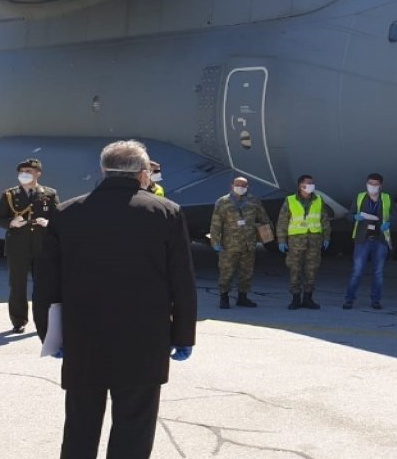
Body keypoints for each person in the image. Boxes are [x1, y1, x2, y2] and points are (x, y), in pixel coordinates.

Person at [35, 140, 196, 458]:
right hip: (144, 338)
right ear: (142, 172)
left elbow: (45, 283)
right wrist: (183, 334)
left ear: (103, 170)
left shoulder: (67, 213)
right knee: (134, 426)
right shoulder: (166, 212)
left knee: (80, 423)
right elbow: (182, 281)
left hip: (84, 337)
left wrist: (49, 335)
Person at [0, 158, 60, 335]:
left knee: (43, 285)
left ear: (38, 173)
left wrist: (49, 222)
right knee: (17, 285)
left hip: (41, 246)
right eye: (22, 172)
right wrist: (12, 223)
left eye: (29, 171)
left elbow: (59, 218)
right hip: (18, 246)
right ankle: (19, 320)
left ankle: (43, 320)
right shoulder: (9, 195)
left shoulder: (49, 194)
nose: (24, 175)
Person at [208, 176, 271, 309]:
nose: (240, 188)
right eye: (238, 185)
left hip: (249, 245)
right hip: (229, 245)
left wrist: (265, 238)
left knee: (246, 273)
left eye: (243, 186)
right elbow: (216, 224)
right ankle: (224, 297)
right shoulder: (223, 202)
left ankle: (243, 297)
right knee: (226, 272)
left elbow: (265, 220)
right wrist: (215, 241)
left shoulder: (254, 201)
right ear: (232, 185)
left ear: (247, 187)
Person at [276, 175, 332, 310]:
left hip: (314, 241)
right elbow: (282, 222)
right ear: (301, 185)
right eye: (308, 183)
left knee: (311, 271)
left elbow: (324, 220)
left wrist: (326, 237)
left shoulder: (318, 200)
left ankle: (308, 298)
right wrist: (282, 240)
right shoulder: (290, 200)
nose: (311, 185)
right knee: (295, 270)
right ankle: (295, 299)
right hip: (296, 242)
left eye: (312, 183)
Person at [344, 173, 397, 310]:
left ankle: (375, 300)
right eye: (370, 183)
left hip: (380, 239)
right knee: (357, 271)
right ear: (366, 184)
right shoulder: (360, 197)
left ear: (380, 186)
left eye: (375, 184)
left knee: (378, 273)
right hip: (363, 239)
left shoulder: (387, 198)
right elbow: (349, 216)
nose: (372, 186)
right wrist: (355, 217)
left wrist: (389, 223)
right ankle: (349, 299)